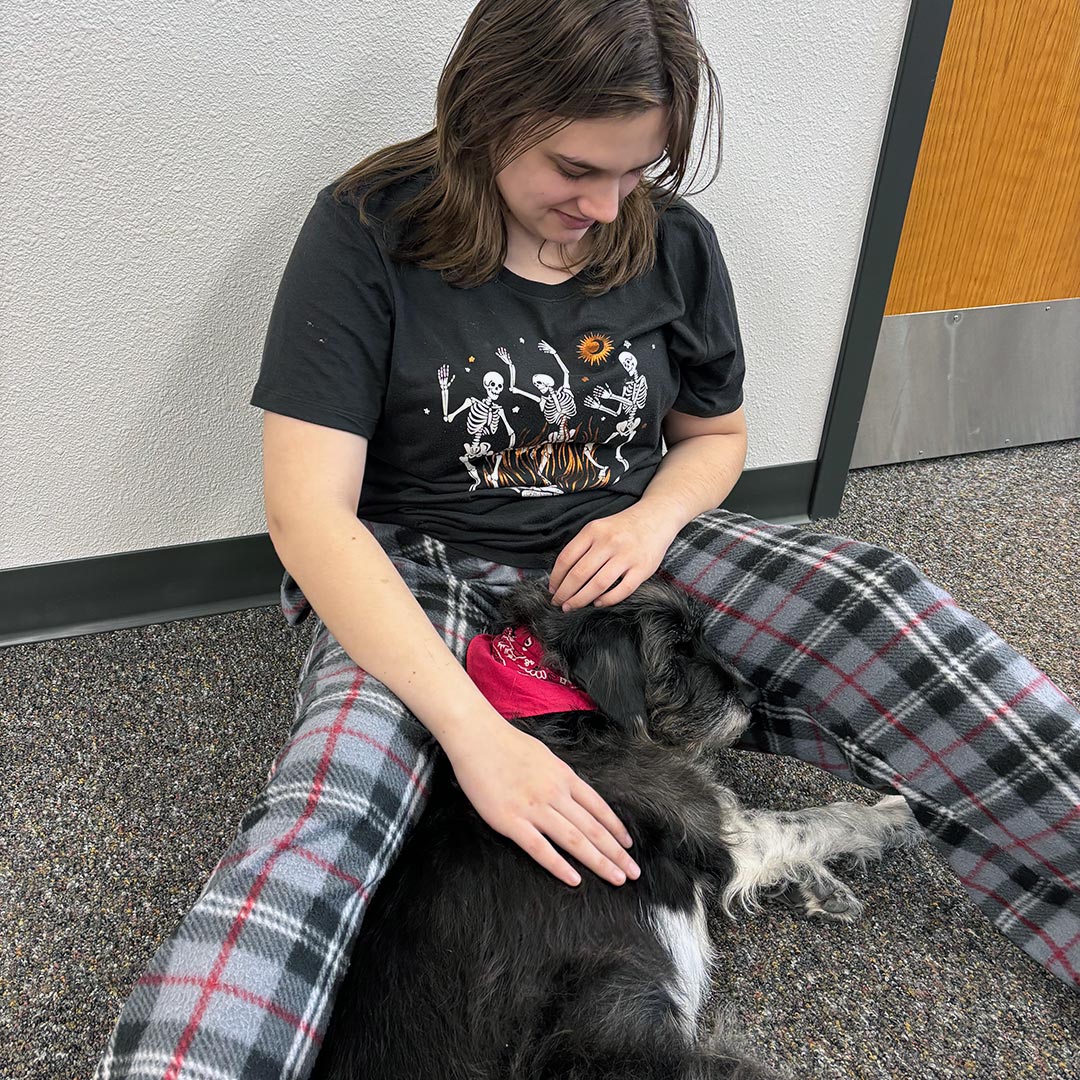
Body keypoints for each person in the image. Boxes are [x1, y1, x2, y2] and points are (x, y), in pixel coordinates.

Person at [95, 1, 1080, 1077]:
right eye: (575, 168)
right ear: (486, 111)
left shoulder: (671, 242)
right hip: (419, 565)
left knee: (876, 601)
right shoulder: (368, 230)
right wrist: (478, 739)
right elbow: (308, 516)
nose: (606, 206)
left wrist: (653, 515)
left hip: (618, 544)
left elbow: (716, 437)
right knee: (333, 807)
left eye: (634, 172)